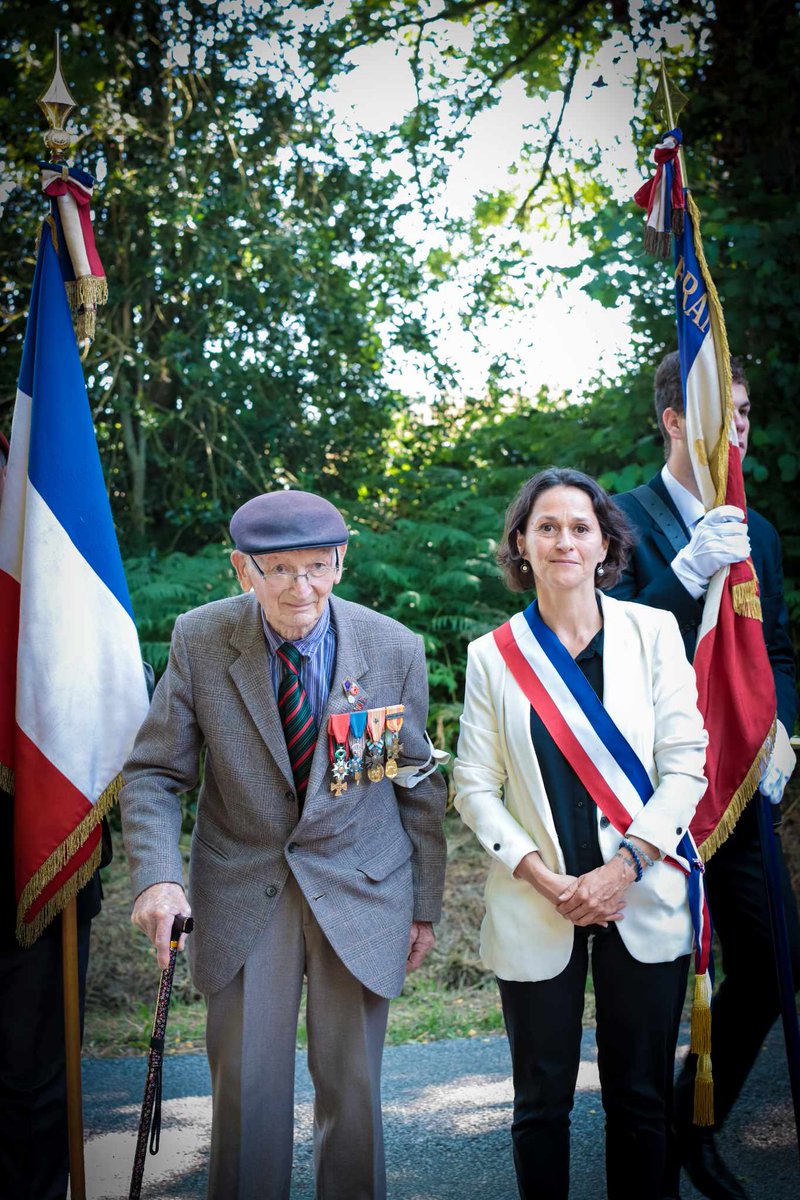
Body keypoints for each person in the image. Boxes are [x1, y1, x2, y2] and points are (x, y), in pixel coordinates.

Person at [120, 489, 448, 1200]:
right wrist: (156, 878)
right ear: (244, 571)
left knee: (354, 1096)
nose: (303, 588)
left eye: (318, 568)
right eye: (280, 571)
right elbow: (153, 773)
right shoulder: (201, 639)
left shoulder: (391, 646)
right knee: (246, 1095)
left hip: (362, 889)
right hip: (242, 887)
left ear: (340, 562)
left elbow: (414, 781)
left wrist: (424, 904)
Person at [453, 466, 709, 1200]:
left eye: (580, 527)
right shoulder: (492, 656)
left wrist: (623, 868)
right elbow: (474, 786)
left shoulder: (653, 632)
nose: (564, 540)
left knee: (640, 1100)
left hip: (641, 894)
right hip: (541, 901)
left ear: (605, 545)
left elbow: (686, 767)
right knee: (540, 1107)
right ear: (521, 546)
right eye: (547, 527)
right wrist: (543, 877)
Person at [611, 351, 800, 1200]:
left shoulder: (756, 529)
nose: (744, 430)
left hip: (742, 789)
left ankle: (697, 1127)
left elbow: (779, 652)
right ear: (675, 421)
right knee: (655, 984)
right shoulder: (615, 518)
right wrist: (685, 572)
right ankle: (645, 1156)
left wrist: (785, 732)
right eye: (728, 413)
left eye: (751, 414)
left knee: (775, 962)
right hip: (654, 791)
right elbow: (606, 654)